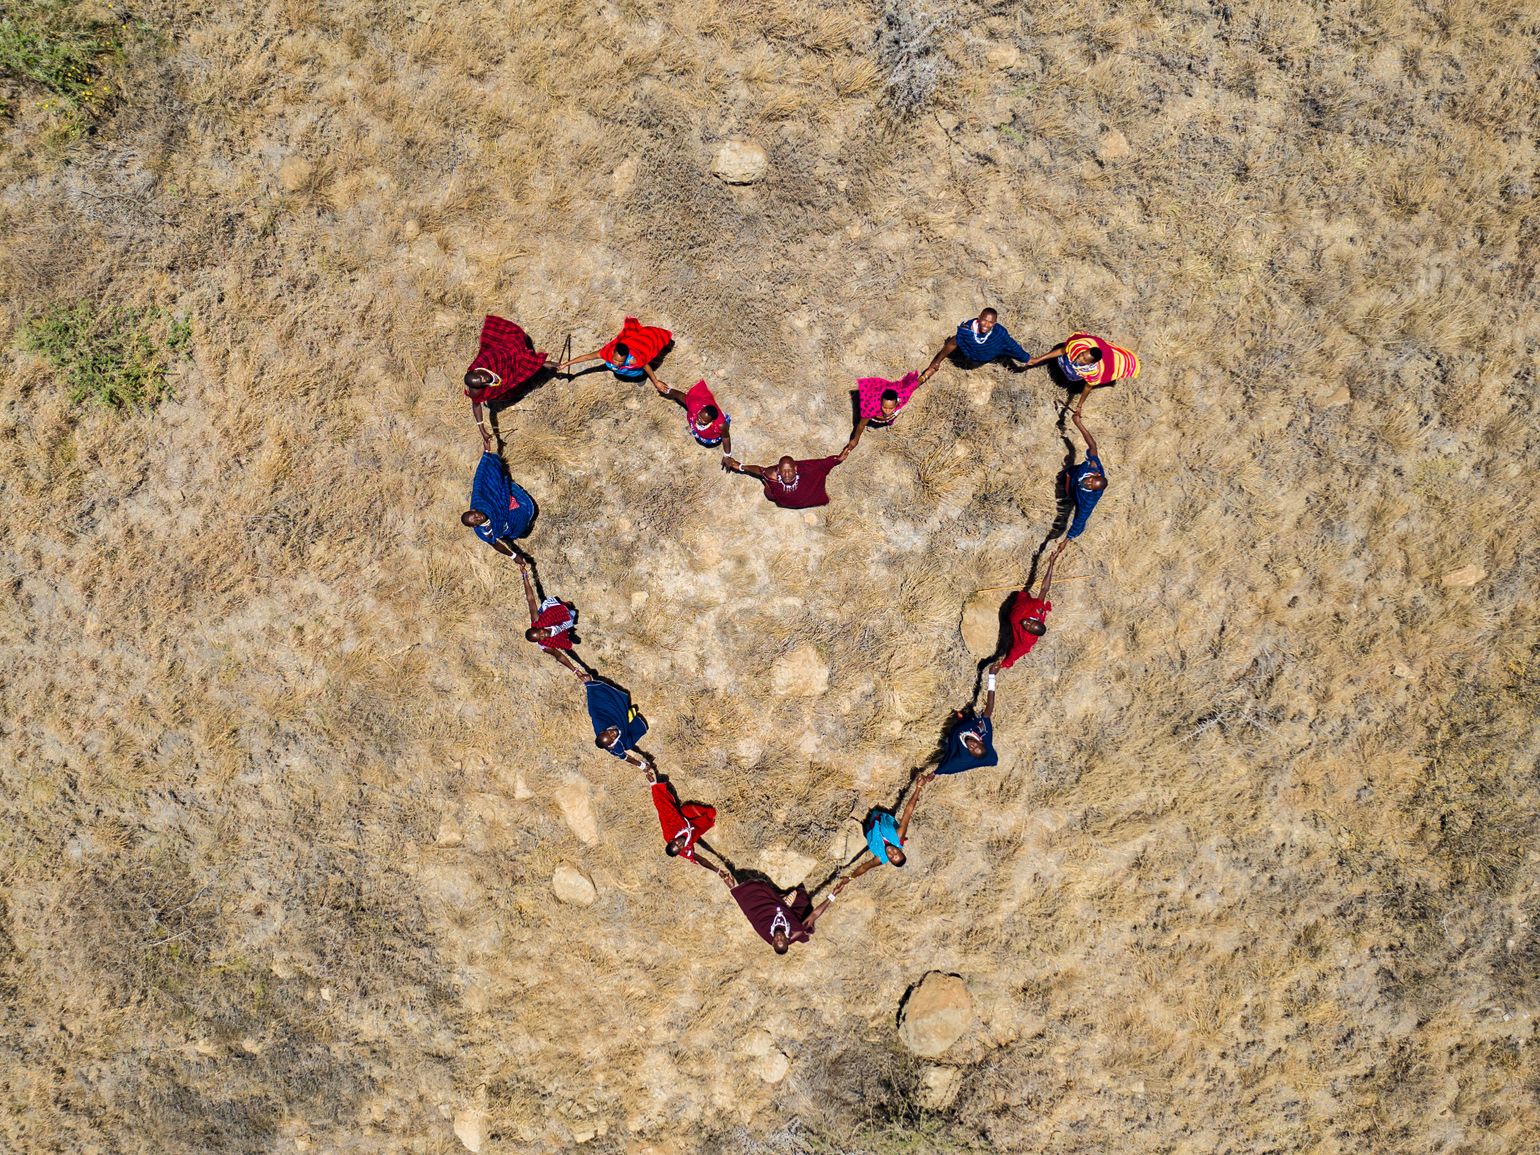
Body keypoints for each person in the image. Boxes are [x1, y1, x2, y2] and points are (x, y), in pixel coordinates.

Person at [831, 772, 935, 894]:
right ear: (900, 849)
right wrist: (918, 787)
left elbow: (865, 867)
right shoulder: (899, 835)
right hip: (880, 810)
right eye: (896, 852)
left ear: (888, 860)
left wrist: (850, 878)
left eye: (891, 857)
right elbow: (908, 811)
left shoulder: (880, 859)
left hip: (867, 825)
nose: (891, 852)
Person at [464, 316, 554, 439]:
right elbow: (476, 406)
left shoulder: (491, 358)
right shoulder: (476, 390)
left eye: (480, 377)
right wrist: (483, 431)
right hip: (504, 380)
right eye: (481, 383)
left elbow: (516, 356)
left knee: (518, 350)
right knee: (513, 387)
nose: (484, 380)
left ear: (477, 371)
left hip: (509, 357)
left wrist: (543, 363)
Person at [721, 868, 831, 955]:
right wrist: (833, 894)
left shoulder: (765, 932)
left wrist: (733, 888)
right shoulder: (794, 932)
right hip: (790, 912)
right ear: (787, 940)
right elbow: (815, 914)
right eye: (781, 939)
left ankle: (781, 900)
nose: (779, 936)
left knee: (766, 895)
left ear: (772, 942)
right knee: (796, 899)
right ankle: (784, 902)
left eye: (777, 939)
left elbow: (750, 913)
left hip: (773, 906)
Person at [461, 435, 537, 555]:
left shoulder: (480, 500)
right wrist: (514, 557)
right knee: (512, 531)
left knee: (529, 507)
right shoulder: (484, 532)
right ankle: (521, 527)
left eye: (474, 515)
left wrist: (486, 452)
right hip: (510, 525)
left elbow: (479, 480)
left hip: (508, 501)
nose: (477, 517)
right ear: (475, 526)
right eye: (475, 521)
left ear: (474, 509)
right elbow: (495, 545)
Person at [1026, 331, 1140, 411]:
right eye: (1082, 355)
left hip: (1071, 376)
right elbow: (1062, 351)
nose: (1080, 358)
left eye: (1084, 359)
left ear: (1091, 363)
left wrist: (1079, 406)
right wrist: (1037, 360)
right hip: (1063, 364)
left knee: (1070, 380)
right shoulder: (1078, 348)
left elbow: (1087, 387)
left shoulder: (1093, 373)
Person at [917, 307, 1031, 383]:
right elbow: (952, 344)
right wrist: (936, 362)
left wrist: (1026, 358)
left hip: (990, 354)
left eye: (991, 322)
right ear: (979, 318)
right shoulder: (967, 330)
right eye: (984, 320)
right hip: (971, 357)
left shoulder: (999, 332)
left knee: (1012, 352)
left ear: (995, 323)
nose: (986, 324)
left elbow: (1012, 345)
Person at [516, 555, 585, 680]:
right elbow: (559, 656)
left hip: (555, 613)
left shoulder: (537, 620)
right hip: (562, 627)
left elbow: (530, 598)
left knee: (568, 608)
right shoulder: (545, 646)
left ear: (538, 628)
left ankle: (566, 607)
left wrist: (525, 576)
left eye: (540, 633)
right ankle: (570, 625)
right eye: (540, 638)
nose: (543, 635)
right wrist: (575, 671)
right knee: (573, 618)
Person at [999, 540, 1065, 669]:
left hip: (1011, 619)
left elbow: (1016, 653)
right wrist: (1051, 562)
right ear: (1035, 619)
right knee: (1022, 595)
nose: (1027, 623)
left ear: (1030, 632)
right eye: (1031, 622)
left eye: (1029, 627)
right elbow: (1045, 588)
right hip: (1018, 604)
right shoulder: (1038, 610)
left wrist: (1004, 664)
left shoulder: (1026, 640)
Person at [642, 365, 732, 455]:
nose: (698, 419)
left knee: (708, 441)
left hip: (711, 435)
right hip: (702, 421)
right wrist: (668, 390)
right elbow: (681, 396)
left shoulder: (720, 425)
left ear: (712, 421)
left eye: (703, 420)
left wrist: (727, 455)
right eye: (700, 415)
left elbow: (726, 437)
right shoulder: (695, 406)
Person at [840, 371, 923, 459]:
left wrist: (933, 368)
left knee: (890, 418)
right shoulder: (872, 407)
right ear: (880, 403)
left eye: (890, 408)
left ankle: (889, 422)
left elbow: (920, 380)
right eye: (884, 407)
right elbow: (861, 425)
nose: (887, 411)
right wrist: (855, 440)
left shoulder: (903, 396)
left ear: (896, 403)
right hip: (875, 411)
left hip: (891, 412)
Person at [645, 766, 717, 868]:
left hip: (683, 815)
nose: (680, 843)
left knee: (695, 810)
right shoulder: (685, 850)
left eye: (676, 843)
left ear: (671, 840)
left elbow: (662, 809)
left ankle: (694, 808)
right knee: (712, 813)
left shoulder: (670, 831)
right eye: (680, 847)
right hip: (696, 826)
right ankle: (706, 817)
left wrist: (653, 785)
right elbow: (701, 860)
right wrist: (719, 872)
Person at [559, 317, 672, 381]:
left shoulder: (634, 360)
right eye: (616, 360)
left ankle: (640, 379)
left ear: (627, 357)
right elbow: (586, 357)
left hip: (634, 374)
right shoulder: (606, 353)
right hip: (620, 373)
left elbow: (646, 366)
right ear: (612, 353)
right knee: (619, 372)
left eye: (620, 361)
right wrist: (566, 364)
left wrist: (655, 381)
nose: (617, 363)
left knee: (639, 376)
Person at [934, 671, 1000, 776]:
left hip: (954, 735)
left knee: (945, 743)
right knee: (967, 714)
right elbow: (990, 707)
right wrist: (992, 675)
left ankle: (945, 741)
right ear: (981, 742)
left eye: (972, 749)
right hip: (968, 722)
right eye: (976, 746)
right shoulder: (984, 731)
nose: (972, 746)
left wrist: (933, 774)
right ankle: (961, 716)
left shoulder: (963, 756)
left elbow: (949, 767)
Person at [723, 453, 843, 510]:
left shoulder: (805, 469)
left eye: (790, 470)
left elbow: (821, 464)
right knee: (768, 491)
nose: (786, 474)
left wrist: (837, 459)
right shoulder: (772, 474)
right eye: (783, 471)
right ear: (778, 470)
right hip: (782, 498)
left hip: (803, 497)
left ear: (795, 469)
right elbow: (759, 470)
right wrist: (739, 466)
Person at [1062, 406, 1107, 541]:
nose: (1087, 482)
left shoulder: (1089, 499)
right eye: (1090, 480)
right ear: (1095, 475)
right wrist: (1078, 423)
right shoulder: (1094, 466)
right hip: (1072, 473)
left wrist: (1068, 538)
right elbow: (1092, 445)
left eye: (1090, 485)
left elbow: (1080, 520)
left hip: (1071, 490)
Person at [584, 679, 652, 767]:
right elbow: (625, 757)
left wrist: (589, 684)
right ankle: (629, 718)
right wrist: (642, 766)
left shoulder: (599, 722)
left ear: (602, 731)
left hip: (614, 716)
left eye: (608, 732)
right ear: (612, 745)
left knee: (619, 703)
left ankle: (625, 713)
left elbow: (594, 707)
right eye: (612, 737)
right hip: (623, 732)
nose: (613, 732)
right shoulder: (616, 747)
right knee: (631, 740)